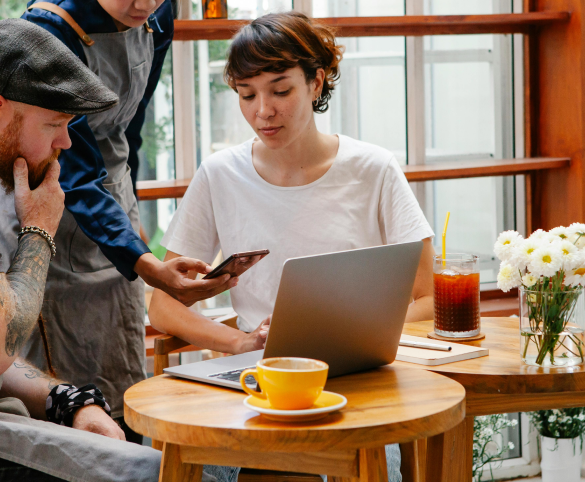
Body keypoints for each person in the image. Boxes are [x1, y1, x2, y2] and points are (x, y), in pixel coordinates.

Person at [149, 12, 435, 480]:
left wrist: (353, 339)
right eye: (247, 95)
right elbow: (163, 304)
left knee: (352, 455)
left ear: (316, 82)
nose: (263, 110)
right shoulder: (219, 174)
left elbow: (426, 299)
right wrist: (241, 342)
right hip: (257, 381)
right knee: (236, 459)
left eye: (280, 90)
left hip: (353, 380)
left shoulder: (375, 169)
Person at [0, 0, 237, 441]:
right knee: (61, 379)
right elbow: (77, 167)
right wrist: (145, 262)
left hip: (113, 199)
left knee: (119, 361)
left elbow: (131, 126)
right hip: (54, 193)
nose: (144, 4)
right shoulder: (49, 28)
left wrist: (131, 225)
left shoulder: (159, 14)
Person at [0, 19, 163, 481]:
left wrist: (64, 400)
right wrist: (40, 231)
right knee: (166, 471)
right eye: (54, 124)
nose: (65, 143)